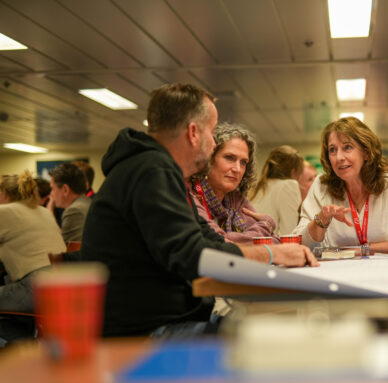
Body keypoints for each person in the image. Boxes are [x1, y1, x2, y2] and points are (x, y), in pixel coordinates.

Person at [81, 83, 316, 337]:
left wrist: (272, 253)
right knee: (276, 337)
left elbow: (209, 239)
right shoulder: (152, 171)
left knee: (272, 329)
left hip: (170, 320)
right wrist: (273, 254)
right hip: (146, 333)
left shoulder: (161, 171)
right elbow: (194, 255)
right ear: (193, 132)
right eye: (212, 132)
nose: (213, 141)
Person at [293, 117, 388, 254]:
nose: (339, 157)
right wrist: (321, 220)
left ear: (366, 153)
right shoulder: (322, 187)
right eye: (332, 150)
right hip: (335, 272)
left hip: (386, 271)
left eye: (347, 147)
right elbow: (299, 243)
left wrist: (363, 250)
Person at [189, 122, 279, 244]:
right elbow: (219, 243)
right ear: (209, 158)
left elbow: (275, 241)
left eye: (243, 162)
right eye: (229, 158)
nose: (237, 169)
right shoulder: (191, 194)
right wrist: (267, 223)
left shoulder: (235, 200)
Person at [0, 172, 66, 313]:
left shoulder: (4, 211)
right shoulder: (44, 211)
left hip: (35, 288)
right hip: (63, 283)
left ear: (4, 192)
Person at [250, 145, 303, 235]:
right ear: (293, 172)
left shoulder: (259, 186)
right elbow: (289, 233)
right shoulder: (288, 185)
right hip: (272, 247)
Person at [49, 162, 92, 243]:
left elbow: (64, 249)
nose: (51, 194)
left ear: (65, 190)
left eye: (53, 189)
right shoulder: (87, 202)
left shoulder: (74, 211)